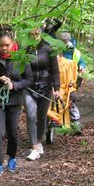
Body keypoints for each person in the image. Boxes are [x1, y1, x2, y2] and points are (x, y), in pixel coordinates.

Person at [0, 31, 33, 175]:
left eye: (7, 45)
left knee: (13, 132)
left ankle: (12, 158)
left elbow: (29, 80)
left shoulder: (21, 59)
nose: (4, 48)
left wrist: (14, 85)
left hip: (15, 100)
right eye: (1, 45)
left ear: (13, 44)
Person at [24, 24, 60, 161]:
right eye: (31, 34)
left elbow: (55, 70)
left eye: (36, 34)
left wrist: (57, 88)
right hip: (29, 86)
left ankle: (38, 141)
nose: (34, 36)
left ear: (41, 34)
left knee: (42, 117)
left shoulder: (49, 49)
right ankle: (34, 146)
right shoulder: (25, 50)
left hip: (45, 86)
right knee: (30, 115)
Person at [58, 31, 85, 132]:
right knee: (55, 102)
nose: (64, 42)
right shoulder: (55, 49)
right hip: (58, 81)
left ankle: (76, 123)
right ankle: (56, 122)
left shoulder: (74, 51)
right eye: (62, 40)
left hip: (70, 81)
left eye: (66, 40)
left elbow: (81, 60)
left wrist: (81, 66)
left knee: (71, 100)